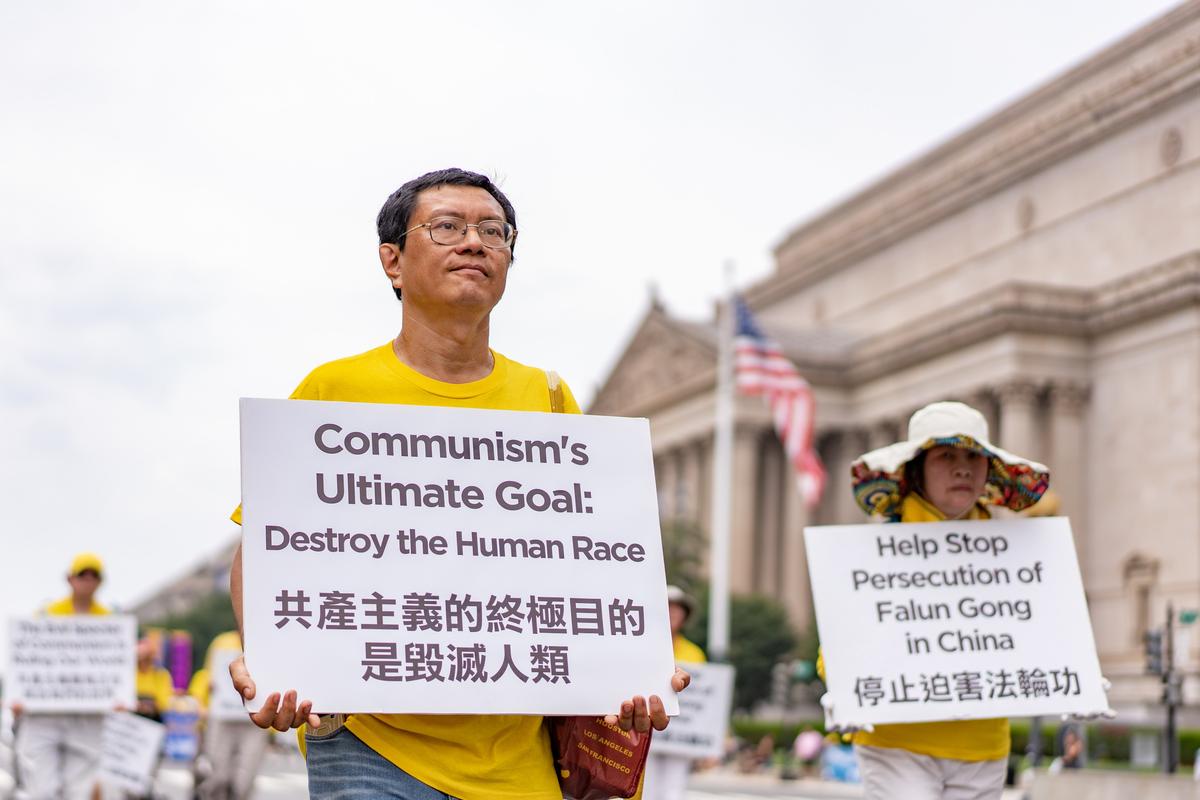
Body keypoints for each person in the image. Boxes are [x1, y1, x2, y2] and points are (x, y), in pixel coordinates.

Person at [225, 168, 689, 799]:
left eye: (493, 232)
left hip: (516, 760)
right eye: (447, 227)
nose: (475, 243)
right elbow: (262, 551)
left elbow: (590, 562)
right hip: (370, 747)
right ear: (392, 261)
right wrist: (271, 663)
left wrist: (631, 671)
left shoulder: (547, 399)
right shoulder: (333, 392)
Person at [844, 401, 1050, 800]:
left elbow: (1037, 627)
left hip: (983, 744)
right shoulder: (878, 543)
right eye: (946, 456)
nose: (963, 468)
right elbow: (844, 633)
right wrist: (838, 678)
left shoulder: (1015, 550)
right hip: (896, 742)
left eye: (974, 456)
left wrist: (1076, 676)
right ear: (916, 468)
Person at [14, 553, 111, 800]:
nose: (87, 581)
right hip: (44, 713)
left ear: (100, 581)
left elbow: (115, 671)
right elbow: (26, 659)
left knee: (80, 790)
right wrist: (19, 695)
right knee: (41, 789)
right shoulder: (48, 613)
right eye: (82, 575)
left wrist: (119, 697)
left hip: (88, 715)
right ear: (70, 579)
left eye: (93, 576)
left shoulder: (110, 619)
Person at [642, 585, 705, 800]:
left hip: (680, 737)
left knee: (674, 790)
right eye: (667, 607)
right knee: (644, 788)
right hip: (646, 731)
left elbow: (705, 700)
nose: (672, 613)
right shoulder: (642, 645)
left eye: (678, 609)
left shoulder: (695, 653)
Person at [192, 631, 269, 800]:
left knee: (244, 779)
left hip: (255, 722)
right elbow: (208, 676)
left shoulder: (267, 639)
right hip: (223, 718)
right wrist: (203, 705)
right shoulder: (221, 642)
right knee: (217, 774)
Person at [134, 637, 174, 722]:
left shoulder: (161, 674)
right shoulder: (130, 674)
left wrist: (146, 706)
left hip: (153, 721)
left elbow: (164, 704)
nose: (142, 662)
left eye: (145, 658)